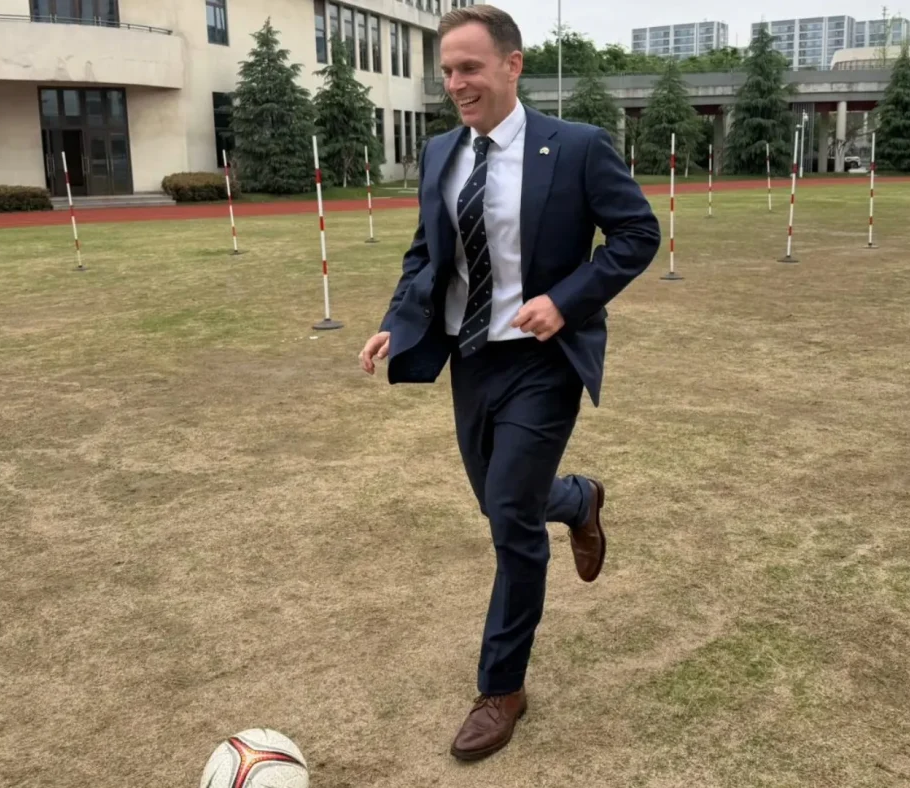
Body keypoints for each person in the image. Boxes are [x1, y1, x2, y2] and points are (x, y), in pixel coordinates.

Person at [357, 4, 660, 762]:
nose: (457, 84)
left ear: (512, 65)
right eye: (448, 71)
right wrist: (400, 318)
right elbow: (426, 253)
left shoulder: (579, 148)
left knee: (509, 524)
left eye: (470, 68)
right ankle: (579, 498)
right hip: (471, 358)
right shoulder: (440, 155)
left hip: (542, 360)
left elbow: (637, 235)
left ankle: (502, 687)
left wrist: (566, 301)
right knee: (508, 499)